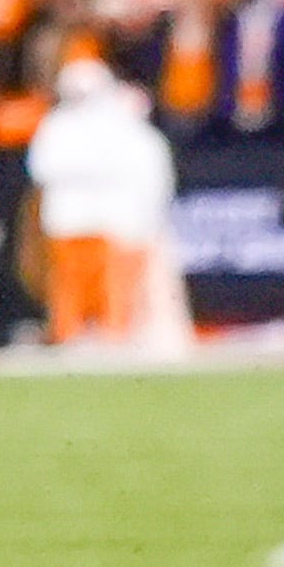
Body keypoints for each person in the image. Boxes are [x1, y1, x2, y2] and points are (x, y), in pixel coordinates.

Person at [26, 56, 177, 350]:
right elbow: (42, 168)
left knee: (114, 282)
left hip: (108, 219)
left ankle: (114, 334)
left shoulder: (117, 126)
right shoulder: (57, 124)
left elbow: (125, 171)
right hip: (66, 219)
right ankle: (68, 334)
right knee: (67, 283)